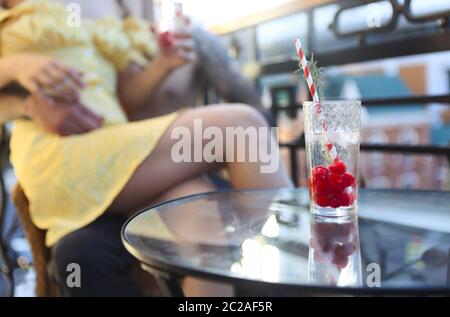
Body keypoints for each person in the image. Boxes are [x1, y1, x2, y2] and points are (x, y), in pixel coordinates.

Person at [0, 0, 292, 296]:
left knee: (197, 211)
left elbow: (124, 98)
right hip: (60, 155)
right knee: (243, 127)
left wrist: (163, 64)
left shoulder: (106, 12)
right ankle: (304, 275)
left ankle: (282, 275)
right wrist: (17, 68)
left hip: (116, 148)